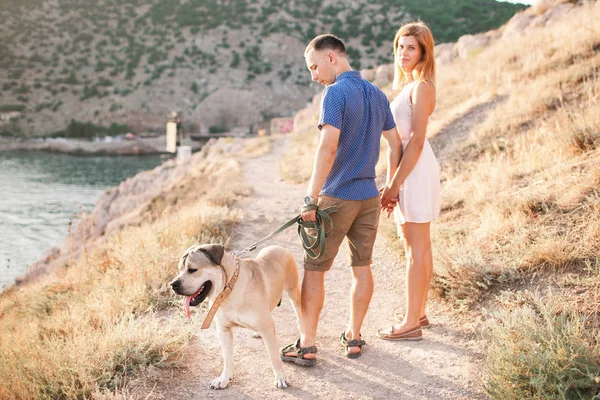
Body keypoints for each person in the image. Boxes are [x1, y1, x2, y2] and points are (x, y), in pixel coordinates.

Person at [280, 34, 400, 364]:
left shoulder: (335, 94)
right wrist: (391, 185)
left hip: (336, 198)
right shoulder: (378, 94)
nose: (314, 76)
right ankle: (355, 336)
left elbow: (328, 148)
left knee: (315, 271)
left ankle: (307, 344)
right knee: (362, 268)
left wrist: (310, 198)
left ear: (332, 58)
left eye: (315, 67)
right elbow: (396, 144)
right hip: (368, 198)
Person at [376, 21, 441, 341]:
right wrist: (391, 181)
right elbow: (396, 145)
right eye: (400, 46)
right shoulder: (410, 85)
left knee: (416, 249)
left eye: (411, 48)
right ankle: (420, 312)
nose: (403, 52)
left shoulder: (422, 87)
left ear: (423, 52)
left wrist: (394, 185)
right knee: (418, 246)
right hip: (410, 169)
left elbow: (414, 142)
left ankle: (410, 323)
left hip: (414, 170)